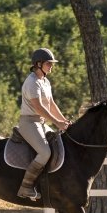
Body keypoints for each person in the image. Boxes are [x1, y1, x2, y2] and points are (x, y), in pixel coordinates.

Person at [17, 48, 71, 200]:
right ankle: (25, 187)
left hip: (41, 122)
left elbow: (51, 104)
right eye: (49, 63)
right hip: (29, 122)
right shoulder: (32, 82)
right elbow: (39, 108)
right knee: (45, 152)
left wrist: (63, 120)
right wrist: (57, 122)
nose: (51, 66)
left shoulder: (45, 81)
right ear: (38, 64)